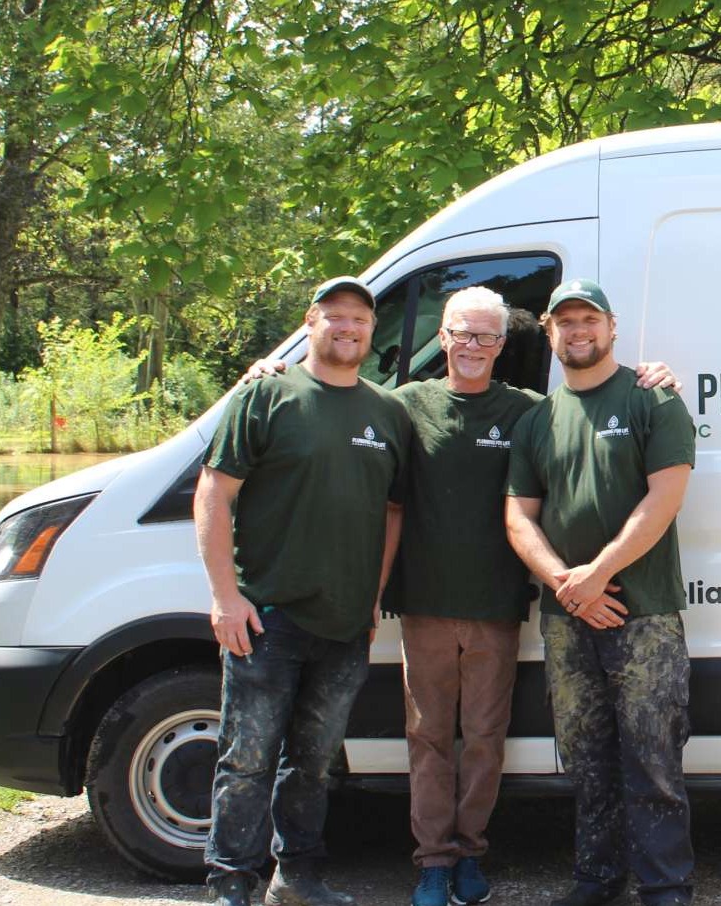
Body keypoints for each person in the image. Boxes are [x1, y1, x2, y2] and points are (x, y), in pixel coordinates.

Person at [244, 286, 677, 906]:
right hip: (422, 602)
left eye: (487, 336)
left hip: (497, 607)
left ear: (504, 344)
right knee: (425, 739)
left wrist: (657, 374)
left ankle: (471, 851)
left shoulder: (529, 411)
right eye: (462, 333)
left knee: (482, 739)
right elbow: (337, 412)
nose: (473, 346)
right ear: (442, 337)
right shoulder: (401, 407)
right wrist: (269, 372)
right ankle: (433, 861)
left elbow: (584, 419)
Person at [196, 276, 410, 906]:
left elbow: (393, 511)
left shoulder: (386, 412)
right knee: (247, 759)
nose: (349, 328)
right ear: (311, 323)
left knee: (315, 763)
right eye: (335, 316)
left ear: (373, 333)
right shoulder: (265, 396)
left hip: (345, 624)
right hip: (266, 616)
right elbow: (214, 492)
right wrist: (225, 596)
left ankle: (299, 877)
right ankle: (231, 882)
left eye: (361, 320)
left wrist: (372, 594)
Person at [505, 279, 697, 906]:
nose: (578, 330)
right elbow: (517, 514)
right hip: (569, 617)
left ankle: (665, 885)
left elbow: (664, 498)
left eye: (589, 319)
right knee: (585, 757)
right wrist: (567, 583)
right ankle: (597, 876)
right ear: (548, 329)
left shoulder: (654, 401)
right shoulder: (537, 418)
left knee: (653, 757)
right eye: (565, 321)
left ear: (612, 327)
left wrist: (596, 574)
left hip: (644, 614)